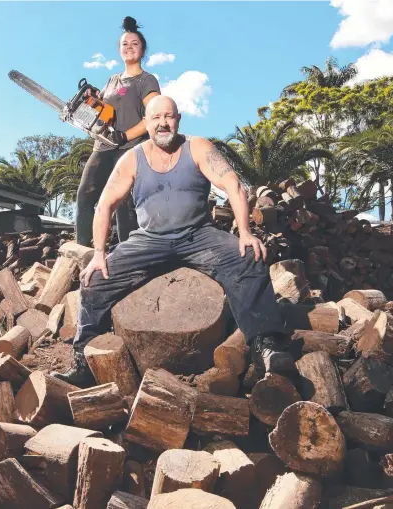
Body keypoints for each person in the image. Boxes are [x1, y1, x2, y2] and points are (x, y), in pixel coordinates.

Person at [55, 95, 296, 386]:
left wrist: (245, 232)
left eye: (168, 116)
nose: (162, 123)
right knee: (95, 279)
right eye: (156, 118)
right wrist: (98, 252)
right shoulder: (132, 157)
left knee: (248, 257)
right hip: (149, 240)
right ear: (146, 123)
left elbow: (232, 183)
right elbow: (105, 204)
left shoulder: (197, 147)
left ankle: (265, 346)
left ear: (178, 119)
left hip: (198, 236)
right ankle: (84, 362)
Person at [76, 16, 161, 247]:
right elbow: (102, 109)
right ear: (119, 50)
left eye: (134, 43)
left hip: (130, 147)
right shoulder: (112, 80)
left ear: (142, 50)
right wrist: (91, 99)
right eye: (125, 44)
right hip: (103, 146)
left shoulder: (147, 80)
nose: (129, 47)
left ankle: (127, 253)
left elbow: (152, 117)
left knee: (125, 203)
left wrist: (125, 135)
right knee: (84, 196)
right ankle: (82, 248)